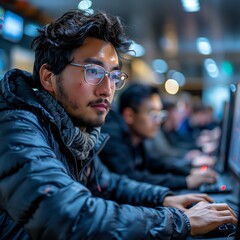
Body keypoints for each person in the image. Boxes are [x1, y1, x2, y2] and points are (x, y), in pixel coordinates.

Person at [0, 9, 237, 240]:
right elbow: (68, 215)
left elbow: (109, 184)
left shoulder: (76, 132)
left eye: (114, 76)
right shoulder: (16, 127)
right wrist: (180, 221)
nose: (107, 90)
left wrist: (164, 198)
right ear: (48, 78)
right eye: (93, 71)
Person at [100, 83, 219, 190]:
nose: (159, 121)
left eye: (160, 114)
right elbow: (130, 178)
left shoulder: (136, 138)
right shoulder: (112, 136)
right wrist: (185, 181)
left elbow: (154, 164)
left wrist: (189, 172)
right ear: (129, 115)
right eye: (153, 114)